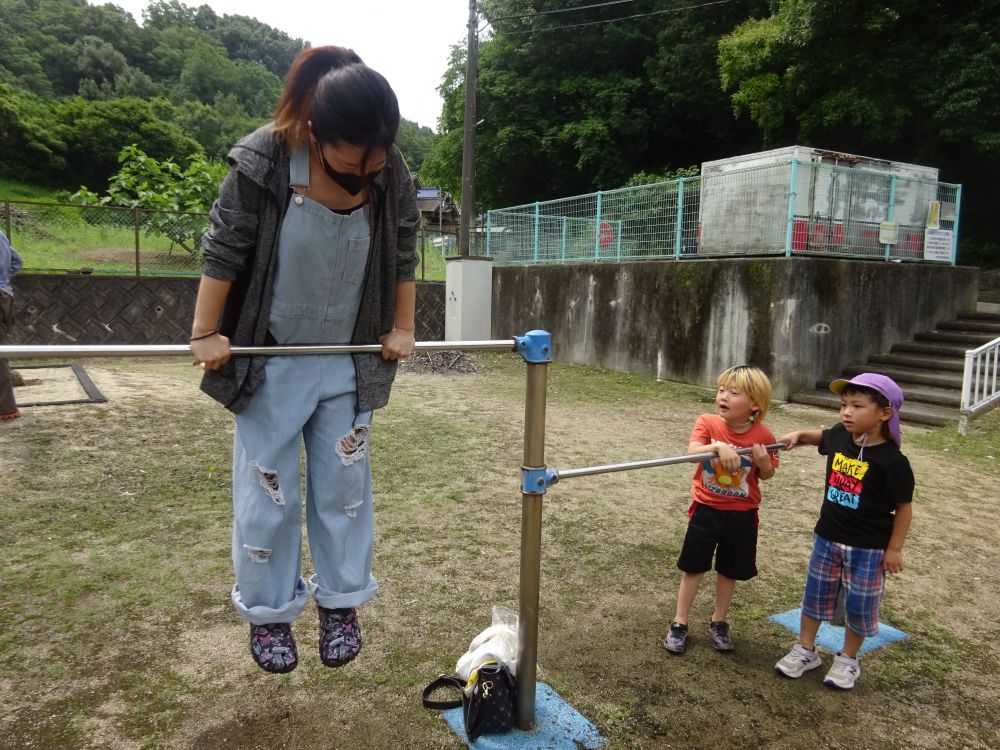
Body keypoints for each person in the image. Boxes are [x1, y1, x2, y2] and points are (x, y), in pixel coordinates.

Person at [189, 46, 420, 674]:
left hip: (346, 358)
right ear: (316, 132)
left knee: (345, 488)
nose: (365, 172)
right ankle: (269, 617)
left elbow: (402, 248)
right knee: (268, 492)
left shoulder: (387, 168)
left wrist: (402, 325)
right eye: (352, 160)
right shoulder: (266, 155)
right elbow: (225, 246)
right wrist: (205, 331)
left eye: (376, 161)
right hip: (271, 359)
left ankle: (341, 602)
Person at [774, 373, 914, 690]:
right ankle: (806, 649)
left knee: (860, 606)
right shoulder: (841, 436)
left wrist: (894, 548)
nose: (846, 412)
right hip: (827, 538)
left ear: (884, 413)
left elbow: (903, 508)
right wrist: (798, 434)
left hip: (869, 548)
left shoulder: (893, 462)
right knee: (815, 597)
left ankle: (848, 659)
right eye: (843, 405)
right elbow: (820, 436)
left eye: (857, 406)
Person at [664, 365, 780, 654]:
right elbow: (691, 453)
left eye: (733, 392)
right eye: (720, 390)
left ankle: (719, 621)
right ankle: (680, 622)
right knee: (693, 566)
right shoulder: (707, 423)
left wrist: (763, 461)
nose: (722, 396)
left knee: (729, 570)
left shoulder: (764, 434)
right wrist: (717, 447)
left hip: (742, 516)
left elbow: (766, 474)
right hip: (705, 509)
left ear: (754, 404)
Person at [0, 228, 24, 421]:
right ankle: (6, 407)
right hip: (4, 296)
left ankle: (5, 408)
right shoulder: (1, 235)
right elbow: (17, 261)